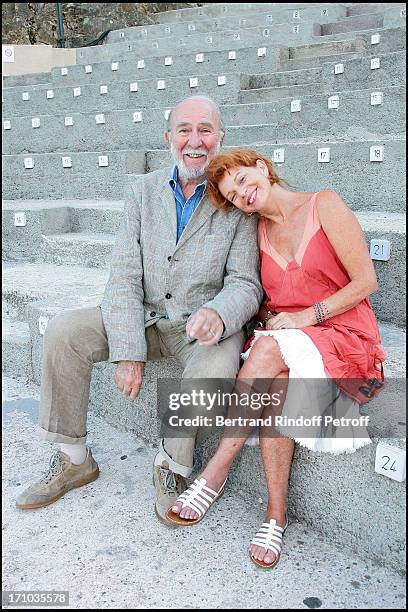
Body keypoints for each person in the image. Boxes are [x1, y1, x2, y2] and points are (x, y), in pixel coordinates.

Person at [15, 100, 263, 525]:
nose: (195, 141)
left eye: (206, 130)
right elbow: (125, 275)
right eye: (184, 130)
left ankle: (171, 468)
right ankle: (74, 459)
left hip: (199, 328)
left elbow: (246, 283)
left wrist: (220, 314)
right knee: (64, 331)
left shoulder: (236, 197)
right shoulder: (142, 191)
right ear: (168, 138)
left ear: (220, 138)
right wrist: (129, 349)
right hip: (145, 317)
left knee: (218, 363)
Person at [166, 148, 386, 568]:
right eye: (233, 195)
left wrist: (305, 317)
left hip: (346, 334)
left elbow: (366, 281)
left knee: (269, 349)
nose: (243, 195)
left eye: (244, 181)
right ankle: (275, 515)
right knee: (278, 382)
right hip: (295, 340)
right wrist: (276, 319)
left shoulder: (325, 204)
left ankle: (216, 471)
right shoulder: (257, 233)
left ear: (263, 168)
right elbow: (265, 300)